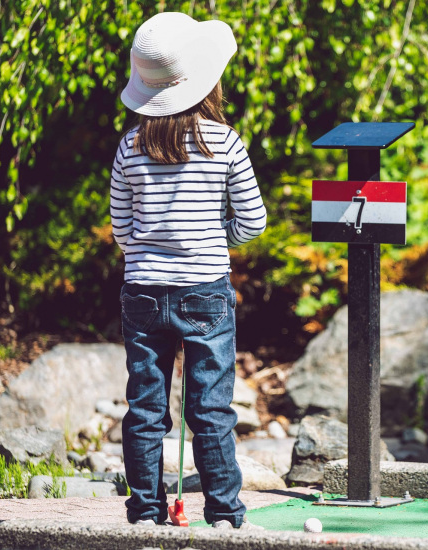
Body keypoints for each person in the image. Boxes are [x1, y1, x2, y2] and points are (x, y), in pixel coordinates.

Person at [109, 12, 266, 530]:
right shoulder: (225, 142)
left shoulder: (129, 146)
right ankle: (223, 514)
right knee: (211, 409)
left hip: (143, 292)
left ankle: (145, 512)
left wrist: (149, 252)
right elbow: (254, 219)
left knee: (145, 410)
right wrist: (217, 240)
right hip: (206, 291)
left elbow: (121, 226)